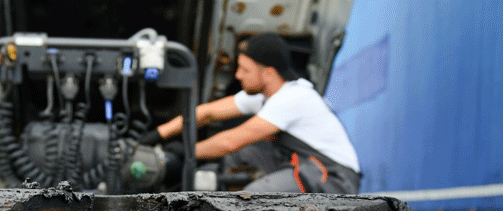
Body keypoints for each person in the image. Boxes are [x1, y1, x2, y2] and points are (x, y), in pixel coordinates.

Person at [139, 32, 361, 193]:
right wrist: (156, 135)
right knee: (240, 157)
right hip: (301, 163)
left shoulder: (294, 98)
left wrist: (185, 152)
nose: (237, 75)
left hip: (333, 177)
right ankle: (225, 201)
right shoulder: (266, 94)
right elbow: (206, 113)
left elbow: (230, 141)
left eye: (245, 70)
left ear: (269, 73)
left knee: (255, 196)